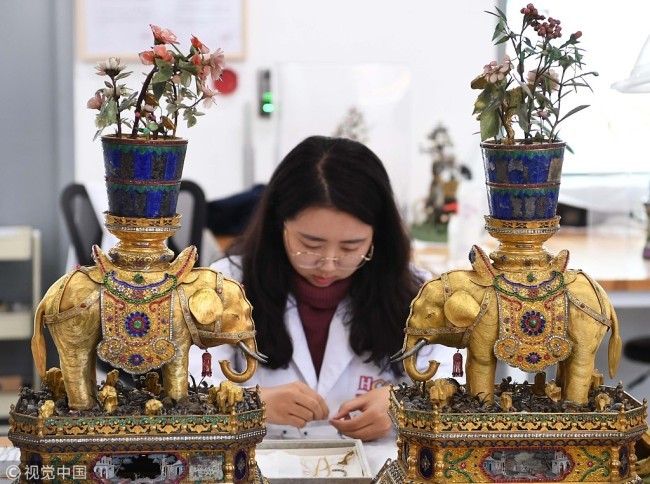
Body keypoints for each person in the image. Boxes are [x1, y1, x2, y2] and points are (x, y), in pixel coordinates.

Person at [189, 135, 460, 450]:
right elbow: (189, 388)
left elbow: (460, 382)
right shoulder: (226, 286)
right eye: (310, 245)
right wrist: (249, 403)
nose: (329, 265)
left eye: (351, 247)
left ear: (377, 235)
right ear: (280, 224)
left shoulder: (419, 293)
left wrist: (408, 406)